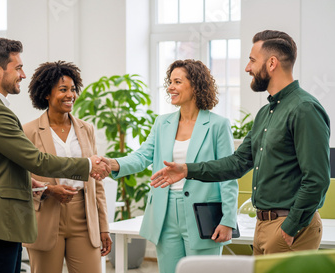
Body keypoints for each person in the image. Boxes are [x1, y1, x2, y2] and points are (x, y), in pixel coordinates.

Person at [151, 30, 330, 255]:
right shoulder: (266, 112)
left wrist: (291, 225)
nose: (247, 68)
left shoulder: (304, 109)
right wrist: (187, 170)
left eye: (252, 60)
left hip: (289, 225)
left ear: (272, 63)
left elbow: (317, 179)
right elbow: (237, 163)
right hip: (264, 224)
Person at [0, 38, 110, 273]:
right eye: (18, 68)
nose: (23, 74)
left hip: (3, 223)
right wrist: (87, 165)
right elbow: (37, 161)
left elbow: (1, 168)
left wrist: (35, 184)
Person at [107, 60, 238, 273]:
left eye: (177, 82)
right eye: (170, 82)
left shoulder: (217, 125)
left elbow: (227, 174)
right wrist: (114, 164)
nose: (170, 87)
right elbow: (142, 157)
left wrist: (228, 220)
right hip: (165, 213)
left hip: (203, 215)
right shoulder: (162, 123)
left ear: (195, 85)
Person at [22, 61, 112, 273]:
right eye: (63, 90)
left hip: (83, 215)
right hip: (46, 213)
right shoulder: (29, 131)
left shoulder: (86, 129)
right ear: (46, 94)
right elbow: (19, 177)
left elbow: (96, 181)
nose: (70, 95)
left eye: (73, 89)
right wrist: (48, 190)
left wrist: (103, 226)